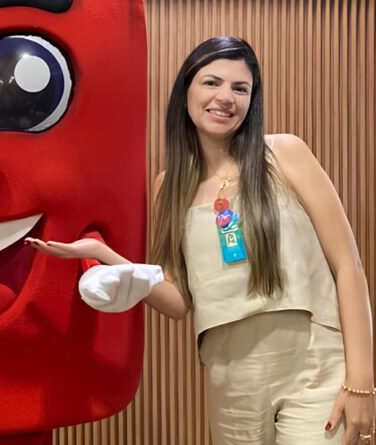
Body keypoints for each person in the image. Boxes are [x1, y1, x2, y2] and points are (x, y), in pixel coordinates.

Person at [27, 36, 374, 444]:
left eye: (240, 88)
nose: (225, 97)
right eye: (212, 82)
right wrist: (109, 258)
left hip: (314, 364)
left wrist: (362, 383)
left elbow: (348, 267)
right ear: (187, 91)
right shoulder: (169, 187)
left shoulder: (285, 153)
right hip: (230, 377)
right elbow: (178, 301)